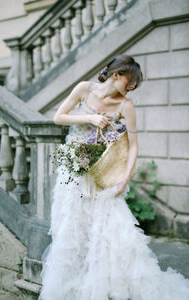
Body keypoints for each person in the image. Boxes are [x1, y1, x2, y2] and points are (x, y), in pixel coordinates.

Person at [38, 54, 189, 300]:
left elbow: (133, 146)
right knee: (73, 231)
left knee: (107, 232)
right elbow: (58, 117)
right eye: (129, 82)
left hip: (103, 176)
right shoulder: (84, 90)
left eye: (134, 86)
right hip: (74, 173)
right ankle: (73, 288)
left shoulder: (125, 106)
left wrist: (125, 178)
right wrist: (90, 117)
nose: (131, 89)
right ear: (116, 74)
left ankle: (101, 288)